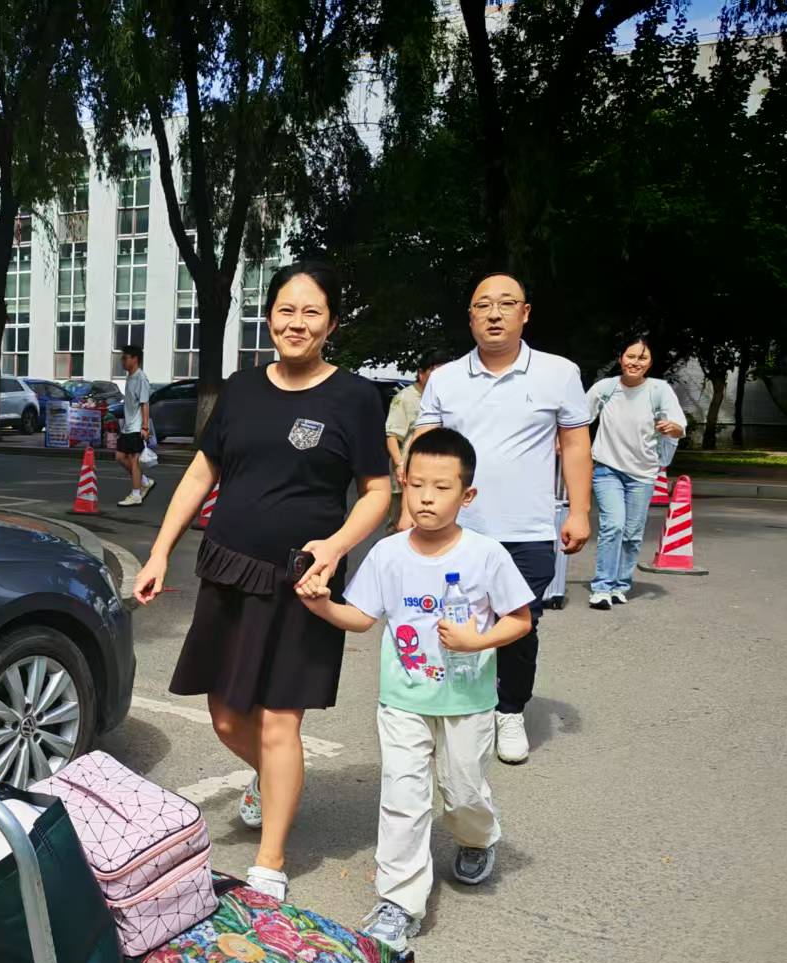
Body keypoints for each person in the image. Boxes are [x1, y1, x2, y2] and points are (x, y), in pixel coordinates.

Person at [132, 262, 388, 902]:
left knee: (279, 722)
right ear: (269, 316)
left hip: (303, 582)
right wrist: (160, 552)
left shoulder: (354, 397)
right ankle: (277, 778)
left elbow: (377, 492)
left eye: (311, 312)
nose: (296, 323)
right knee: (225, 717)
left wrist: (335, 546)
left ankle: (270, 863)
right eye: (285, 310)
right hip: (228, 569)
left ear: (331, 323)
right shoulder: (242, 390)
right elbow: (201, 473)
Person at [297, 428, 534, 948]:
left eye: (442, 488)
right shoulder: (388, 554)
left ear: (467, 495)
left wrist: (476, 641)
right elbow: (362, 618)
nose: (427, 497)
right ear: (403, 482)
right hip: (402, 700)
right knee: (403, 797)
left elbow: (520, 621)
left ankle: (478, 837)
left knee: (463, 792)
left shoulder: (486, 555)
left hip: (467, 701)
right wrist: (321, 605)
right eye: (417, 484)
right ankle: (399, 902)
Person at [411, 274, 590, 766]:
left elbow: (575, 444)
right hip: (455, 531)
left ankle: (509, 710)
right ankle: (449, 706)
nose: (494, 314)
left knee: (519, 624)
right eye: (483, 305)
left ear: (525, 313)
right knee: (447, 618)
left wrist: (578, 511)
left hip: (526, 531)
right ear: (470, 317)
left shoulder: (559, 373)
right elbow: (424, 447)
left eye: (506, 304)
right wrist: (410, 510)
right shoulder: (446, 379)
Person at [584, 337, 687, 608]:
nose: (635, 362)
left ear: (650, 363)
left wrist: (672, 427)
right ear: (621, 358)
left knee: (632, 534)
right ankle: (602, 587)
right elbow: (579, 419)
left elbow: (680, 427)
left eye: (642, 358)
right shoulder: (606, 388)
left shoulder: (659, 390)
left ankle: (621, 585)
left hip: (643, 474)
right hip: (607, 469)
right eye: (631, 356)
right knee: (613, 526)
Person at [384, 353, 449, 528]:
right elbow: (392, 436)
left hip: (434, 472)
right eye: (435, 371)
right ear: (421, 373)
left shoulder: (445, 397)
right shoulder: (405, 398)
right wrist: (400, 464)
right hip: (406, 471)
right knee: (399, 524)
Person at [116, 343, 155, 506]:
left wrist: (145, 427)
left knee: (134, 460)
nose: (122, 361)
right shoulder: (130, 377)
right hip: (128, 426)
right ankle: (144, 481)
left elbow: (145, 403)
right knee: (120, 457)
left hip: (137, 427)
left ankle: (136, 494)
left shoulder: (140, 378)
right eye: (122, 358)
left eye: (125, 358)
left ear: (135, 359)